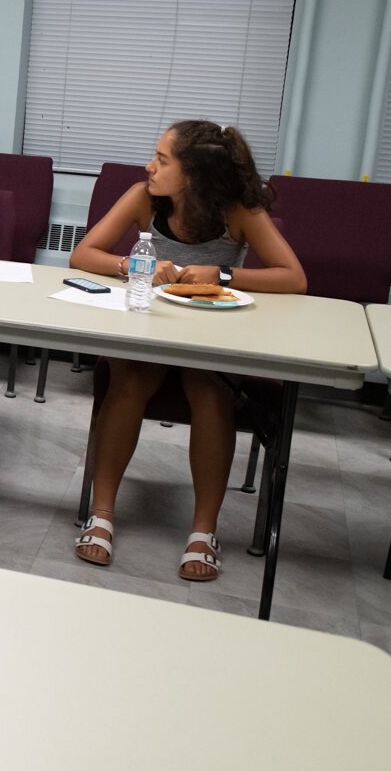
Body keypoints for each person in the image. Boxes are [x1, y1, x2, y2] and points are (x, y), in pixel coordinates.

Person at [69, 120, 306, 581]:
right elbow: (84, 255)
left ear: (194, 174)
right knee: (130, 382)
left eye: (162, 159)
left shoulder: (238, 210)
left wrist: (223, 275)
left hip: (209, 334)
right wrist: (132, 264)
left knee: (209, 390)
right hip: (149, 329)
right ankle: (101, 515)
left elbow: (293, 277)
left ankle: (203, 531)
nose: (149, 166)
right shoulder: (144, 198)